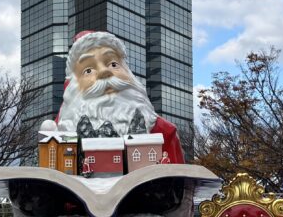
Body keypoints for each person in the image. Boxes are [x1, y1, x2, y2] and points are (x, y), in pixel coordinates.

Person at [54, 30, 185, 163]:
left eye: (113, 64)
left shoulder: (165, 132)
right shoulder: (59, 130)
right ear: (74, 86)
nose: (104, 72)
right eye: (88, 70)